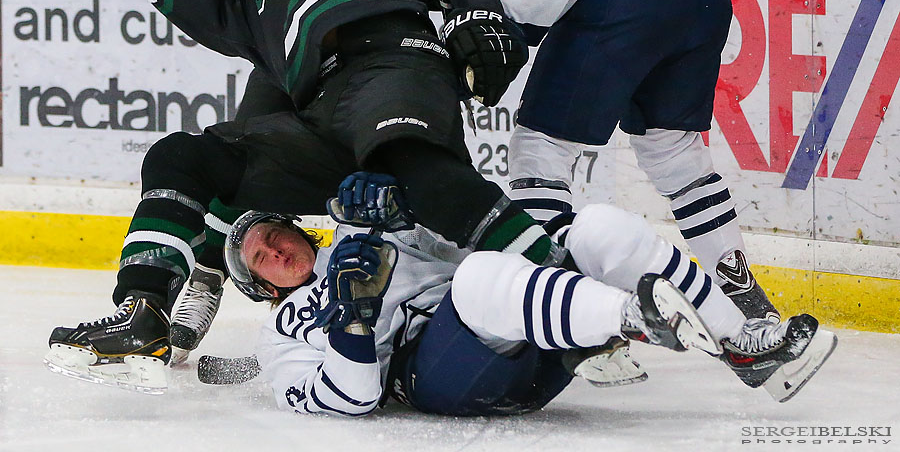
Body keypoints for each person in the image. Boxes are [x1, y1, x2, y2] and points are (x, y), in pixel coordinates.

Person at [42, 0, 583, 392]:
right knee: (181, 158)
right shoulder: (241, 5)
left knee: (415, 169)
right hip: (319, 113)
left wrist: (479, 13)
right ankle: (146, 314)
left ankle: (568, 292)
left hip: (389, 63)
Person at [422, 0, 779, 321]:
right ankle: (747, 305)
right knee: (673, 151)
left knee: (540, 155)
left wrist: (499, 41)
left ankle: (569, 310)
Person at [229, 202, 836, 416]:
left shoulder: (365, 237)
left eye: (277, 235)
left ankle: (749, 350)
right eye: (261, 258)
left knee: (599, 228)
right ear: (262, 286)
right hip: (445, 376)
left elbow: (466, 242)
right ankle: (632, 318)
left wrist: (402, 218)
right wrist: (352, 322)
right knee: (477, 281)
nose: (277, 250)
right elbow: (351, 399)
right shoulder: (281, 333)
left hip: (531, 328)